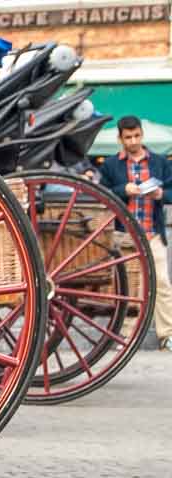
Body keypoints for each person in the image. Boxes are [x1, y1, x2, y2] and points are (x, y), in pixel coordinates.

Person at [100, 116, 172, 351]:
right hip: (125, 235)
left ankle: (167, 335)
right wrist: (123, 190)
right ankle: (126, 336)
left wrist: (161, 194)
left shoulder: (160, 162)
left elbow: (171, 191)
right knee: (129, 287)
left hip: (153, 233)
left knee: (162, 284)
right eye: (128, 137)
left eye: (136, 136)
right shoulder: (111, 165)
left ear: (142, 134)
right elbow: (101, 193)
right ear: (120, 138)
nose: (133, 141)